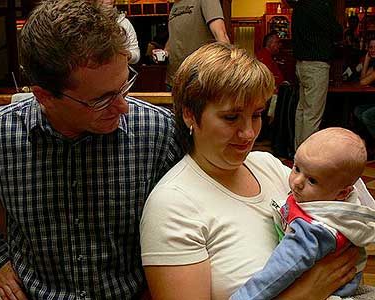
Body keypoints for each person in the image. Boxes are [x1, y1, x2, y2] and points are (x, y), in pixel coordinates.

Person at [0, 1, 182, 299]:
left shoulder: (160, 132)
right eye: (101, 100)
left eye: (124, 86)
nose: (123, 107)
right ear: (44, 96)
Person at [140, 42, 362, 300]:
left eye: (256, 115)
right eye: (231, 118)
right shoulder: (172, 206)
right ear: (190, 115)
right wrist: (308, 292)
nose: (248, 133)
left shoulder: (266, 165)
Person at [231, 127, 375, 300]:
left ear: (342, 193)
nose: (297, 182)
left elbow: (278, 273)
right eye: (296, 168)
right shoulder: (332, 196)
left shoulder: (314, 230)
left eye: (313, 180)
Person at [292, 0, 343, 149]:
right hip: (316, 65)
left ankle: (298, 150)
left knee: (301, 111)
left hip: (301, 64)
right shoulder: (319, 6)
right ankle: (307, 155)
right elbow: (337, 32)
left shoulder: (298, 6)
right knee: (312, 114)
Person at [163, 0, 230, 90]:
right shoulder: (175, 5)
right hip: (174, 80)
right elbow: (174, 36)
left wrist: (229, 72)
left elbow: (221, 34)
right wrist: (164, 52)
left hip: (199, 81)